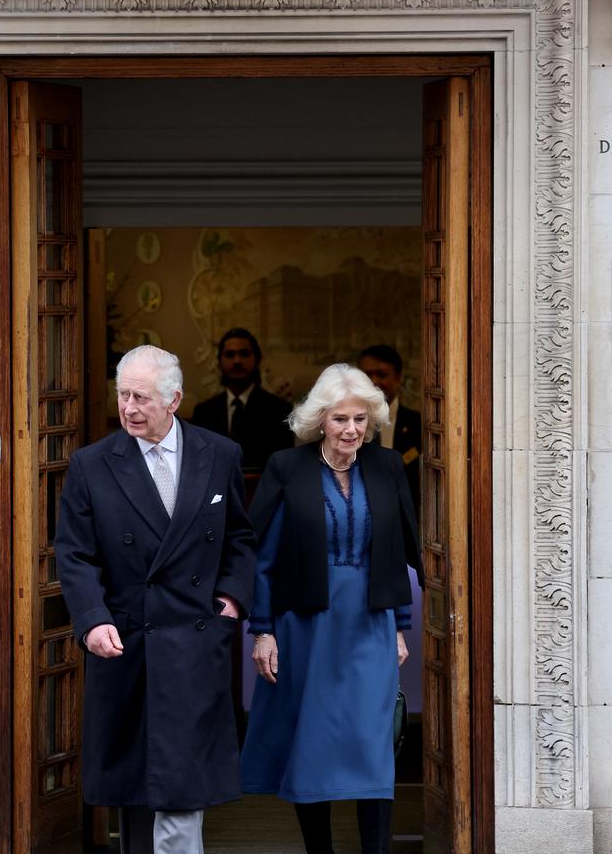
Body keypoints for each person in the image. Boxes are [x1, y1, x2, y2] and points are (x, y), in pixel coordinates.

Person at [55, 345, 256, 854]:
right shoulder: (92, 464)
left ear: (175, 400)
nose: (128, 408)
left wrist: (231, 599)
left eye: (141, 397)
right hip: (126, 641)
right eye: (123, 395)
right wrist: (92, 620)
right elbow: (75, 555)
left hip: (194, 641)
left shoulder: (220, 455)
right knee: (137, 783)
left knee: (183, 782)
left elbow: (239, 538)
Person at [240, 364, 424, 854]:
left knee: (373, 747)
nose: (352, 430)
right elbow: (264, 556)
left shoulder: (386, 467)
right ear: (321, 419)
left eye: (361, 419)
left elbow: (399, 549)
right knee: (314, 746)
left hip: (370, 624)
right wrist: (263, 630)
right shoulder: (288, 467)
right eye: (341, 418)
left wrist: (400, 626)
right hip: (307, 625)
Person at [191, 327, 294, 473]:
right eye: (230, 355)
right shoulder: (204, 412)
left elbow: (282, 468)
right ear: (220, 361)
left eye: (244, 354)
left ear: (257, 359)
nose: (237, 361)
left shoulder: (280, 410)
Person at [357, 344, 422, 517]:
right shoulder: (343, 425)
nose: (374, 381)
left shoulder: (419, 425)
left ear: (398, 378)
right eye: (367, 375)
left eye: (382, 374)